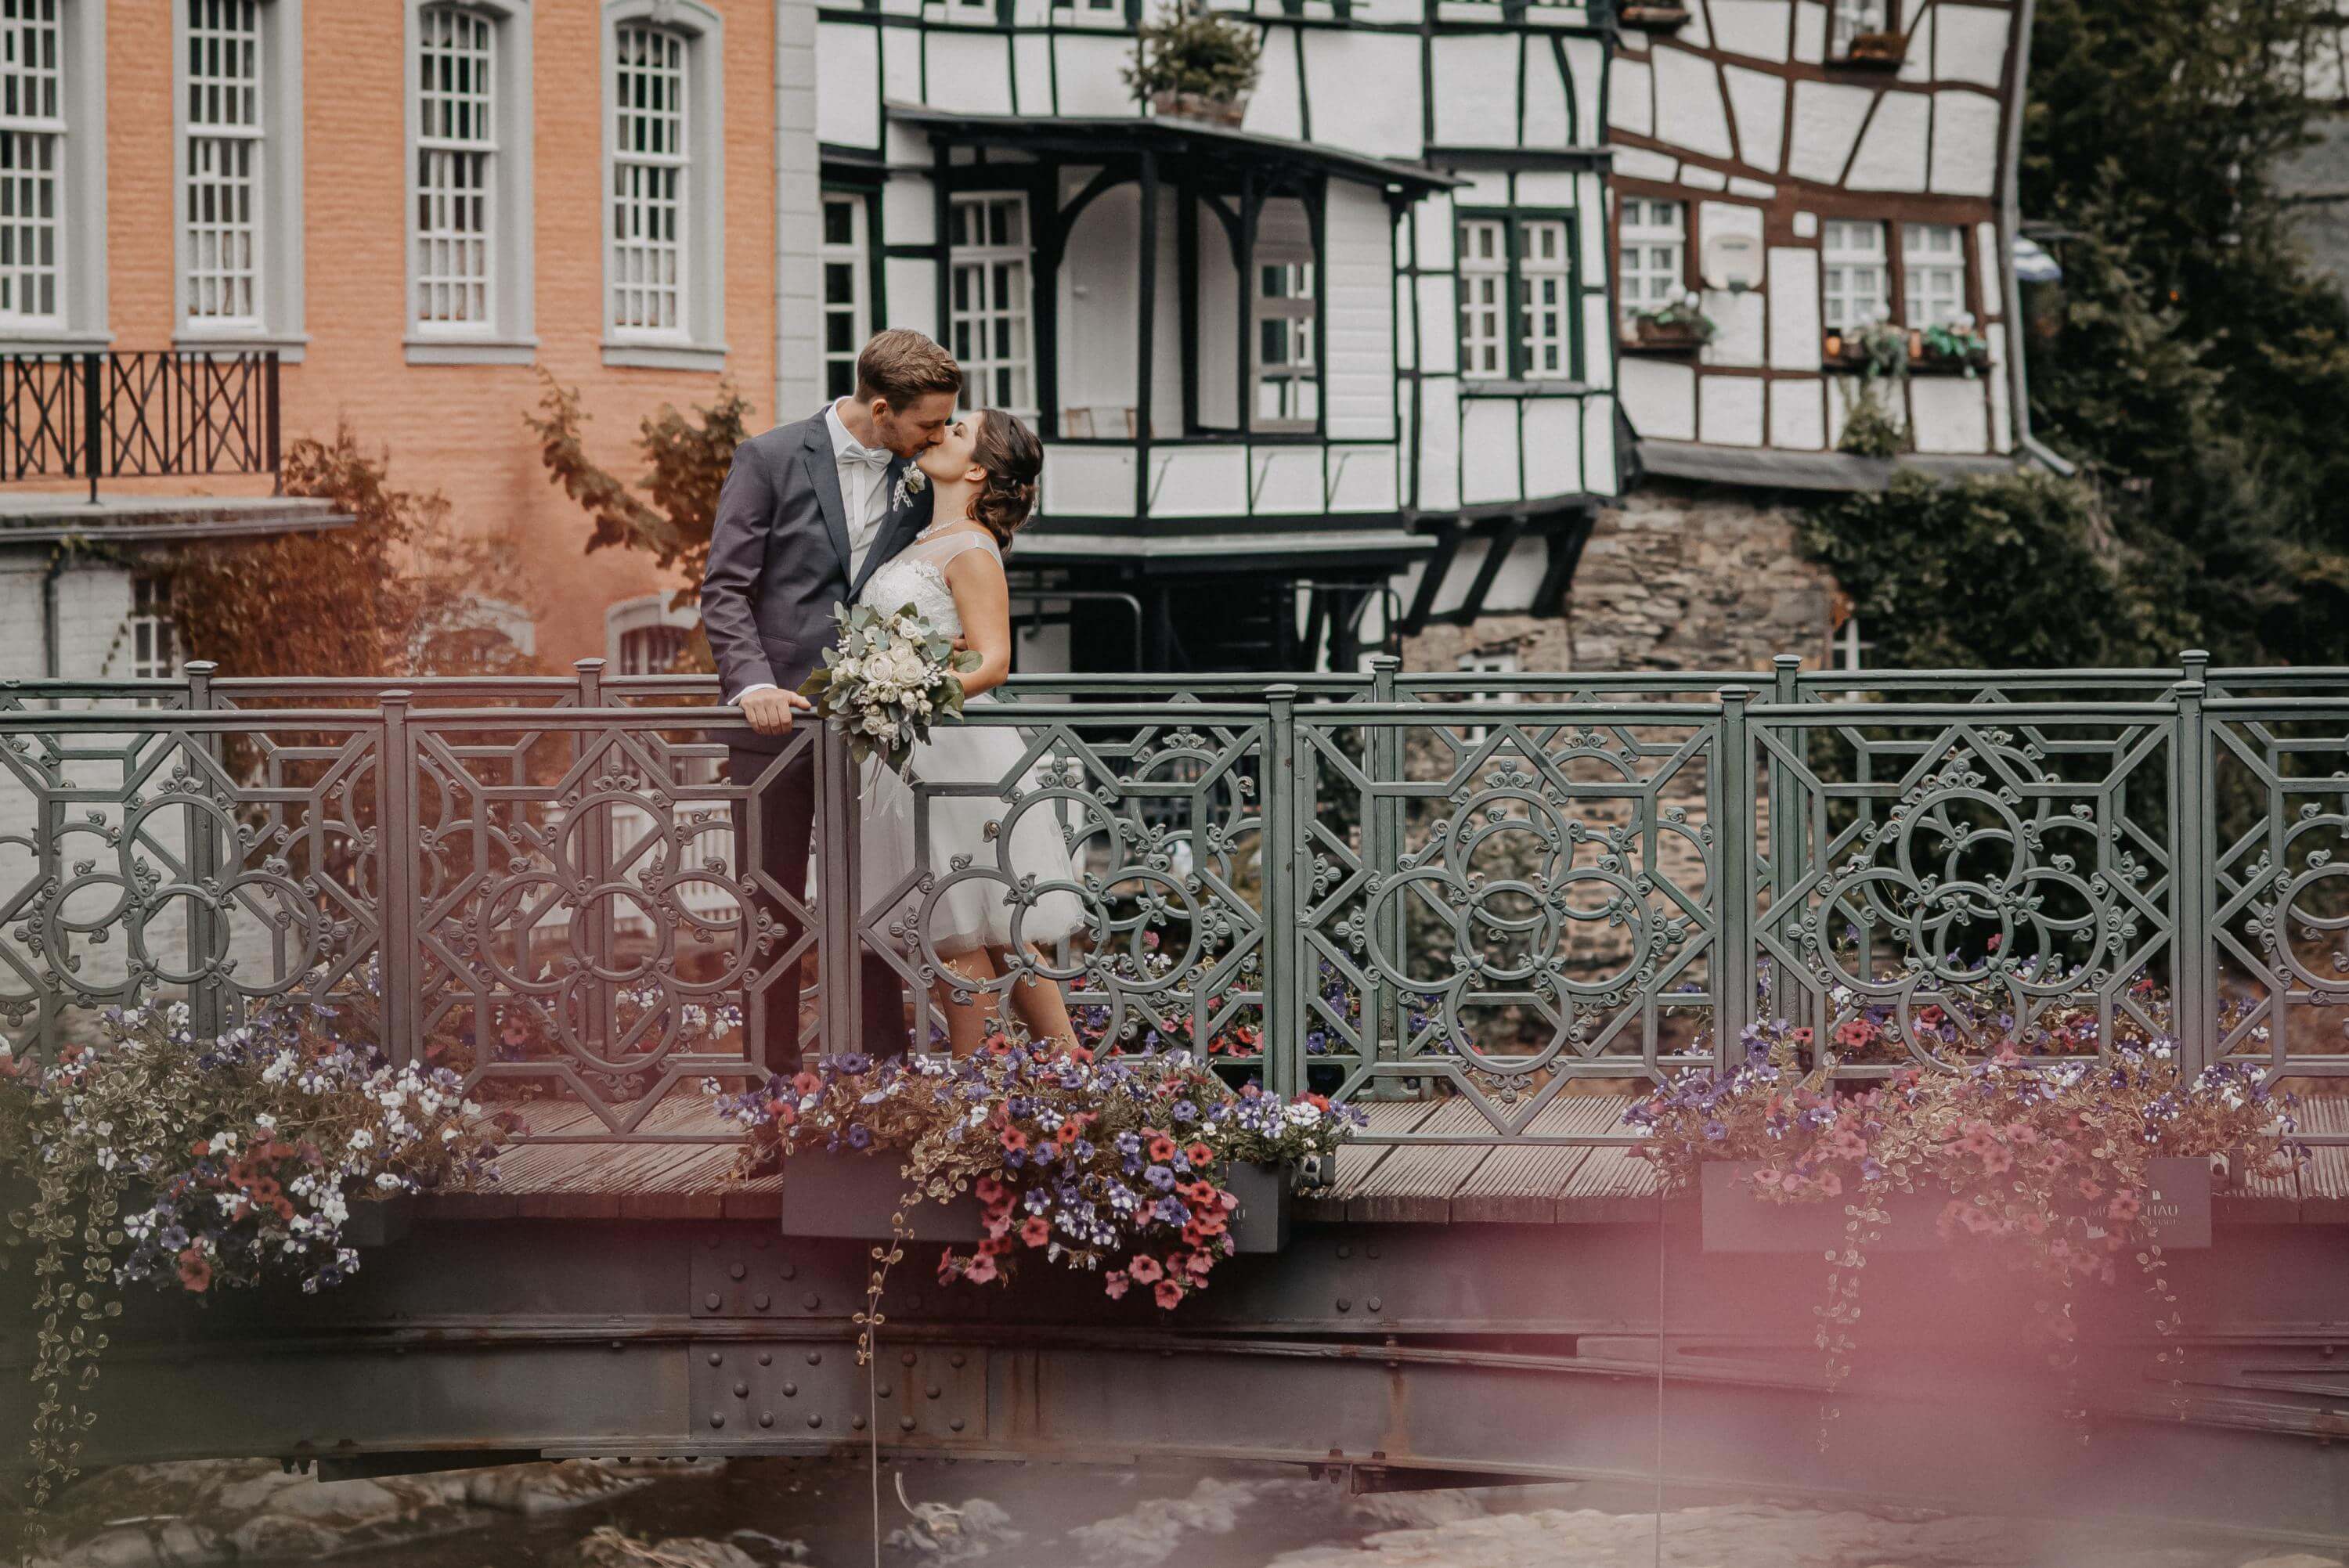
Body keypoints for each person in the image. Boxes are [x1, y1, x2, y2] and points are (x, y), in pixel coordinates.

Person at [700, 329, 960, 1069]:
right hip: (773, 728)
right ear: (882, 408)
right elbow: (724, 587)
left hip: (876, 732)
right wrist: (752, 684)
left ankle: (879, 1083)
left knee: (875, 908)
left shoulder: (919, 473)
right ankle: (767, 1094)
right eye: (928, 423)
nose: (938, 435)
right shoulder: (769, 457)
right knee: (770, 912)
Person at [856, 409, 1086, 1054]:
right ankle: (1068, 1078)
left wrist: (909, 689)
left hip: (949, 750)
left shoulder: (973, 547)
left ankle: (975, 1091)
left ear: (979, 469)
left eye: (957, 431)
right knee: (981, 932)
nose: (939, 434)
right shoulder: (921, 535)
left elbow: (994, 660)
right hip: (907, 753)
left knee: (954, 929)